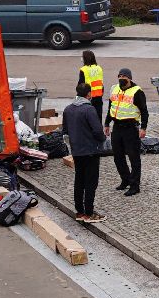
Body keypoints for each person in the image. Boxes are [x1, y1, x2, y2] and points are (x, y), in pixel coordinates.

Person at [61, 83, 108, 223]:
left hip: (76, 151)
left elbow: (65, 132)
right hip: (91, 151)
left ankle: (79, 212)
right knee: (90, 182)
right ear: (88, 94)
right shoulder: (89, 109)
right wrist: (103, 140)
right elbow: (98, 131)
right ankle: (89, 213)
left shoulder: (68, 109)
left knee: (79, 180)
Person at [105, 66, 150, 194]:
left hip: (130, 128)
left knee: (134, 157)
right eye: (119, 76)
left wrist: (143, 127)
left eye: (123, 77)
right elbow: (111, 107)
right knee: (118, 157)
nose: (121, 79)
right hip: (117, 127)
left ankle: (135, 185)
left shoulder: (137, 92)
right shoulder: (114, 89)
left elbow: (144, 111)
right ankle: (125, 180)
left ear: (129, 78)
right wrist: (107, 123)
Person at [79, 50, 105, 119]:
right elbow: (101, 83)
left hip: (88, 97)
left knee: (88, 119)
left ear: (85, 58)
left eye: (82, 57)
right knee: (98, 118)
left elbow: (80, 85)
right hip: (98, 97)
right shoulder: (99, 68)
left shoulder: (84, 69)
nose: (81, 58)